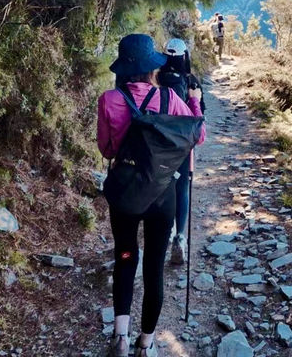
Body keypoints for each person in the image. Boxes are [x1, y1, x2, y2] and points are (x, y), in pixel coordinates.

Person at [98, 34, 205, 357]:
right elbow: (197, 137)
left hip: (127, 194)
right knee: (155, 267)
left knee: (126, 257)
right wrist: (195, 101)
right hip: (162, 194)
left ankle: (119, 336)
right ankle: (145, 344)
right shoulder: (169, 98)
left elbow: (106, 148)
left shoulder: (109, 100)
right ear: (151, 68)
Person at [157, 38, 205, 265]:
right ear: (185, 57)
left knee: (162, 187)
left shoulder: (154, 79)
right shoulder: (191, 82)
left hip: (157, 144)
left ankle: (164, 231)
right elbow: (199, 124)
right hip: (183, 146)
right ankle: (181, 236)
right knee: (183, 187)